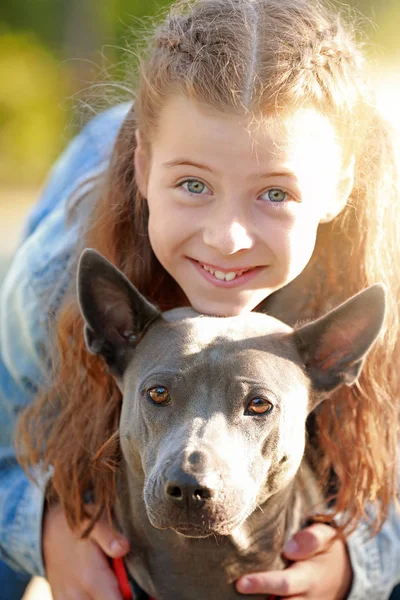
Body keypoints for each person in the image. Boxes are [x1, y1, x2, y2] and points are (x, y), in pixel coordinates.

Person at [1, 0, 399, 598]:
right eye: (194, 185)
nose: (227, 237)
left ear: (338, 187)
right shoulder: (56, 280)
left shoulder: (383, 277)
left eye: (275, 193)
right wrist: (43, 527)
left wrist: (362, 561)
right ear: (143, 167)